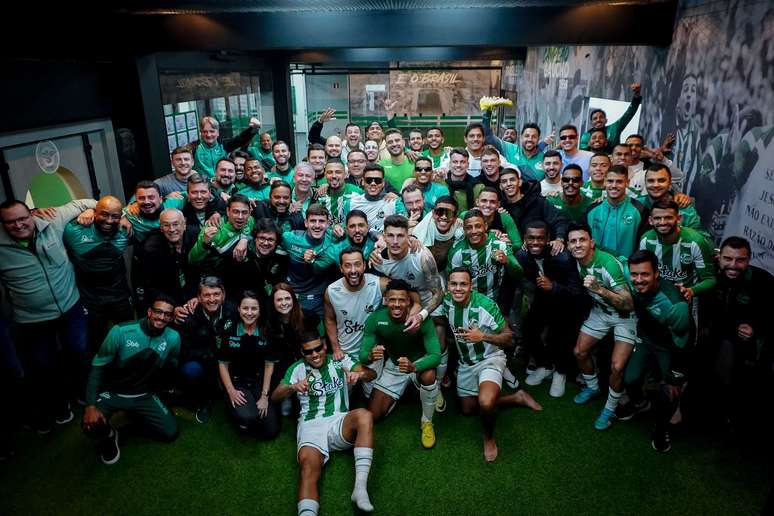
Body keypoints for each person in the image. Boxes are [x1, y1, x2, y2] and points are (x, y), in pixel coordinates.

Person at [0, 198, 96, 432]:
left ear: (31, 214)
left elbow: (90, 201)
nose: (19, 225)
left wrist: (91, 211)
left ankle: (83, 394)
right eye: (10, 222)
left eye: (23, 218)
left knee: (78, 351)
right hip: (31, 319)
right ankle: (60, 404)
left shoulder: (52, 219)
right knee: (45, 364)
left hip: (70, 306)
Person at [272, 330, 377, 515]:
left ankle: (360, 490)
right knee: (308, 470)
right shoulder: (296, 369)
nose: (314, 354)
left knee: (364, 416)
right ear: (302, 353)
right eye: (308, 352)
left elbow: (371, 374)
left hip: (339, 421)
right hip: (311, 427)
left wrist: (358, 375)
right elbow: (275, 397)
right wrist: (292, 387)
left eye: (318, 348)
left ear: (325, 346)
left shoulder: (339, 360)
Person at [444, 267, 542, 462]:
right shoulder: (447, 301)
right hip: (466, 364)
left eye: (463, 284)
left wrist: (483, 336)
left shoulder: (485, 306)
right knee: (468, 409)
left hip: (490, 359)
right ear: (448, 286)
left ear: (471, 286)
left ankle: (488, 438)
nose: (458, 288)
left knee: (486, 402)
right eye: (453, 284)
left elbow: (509, 339)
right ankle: (517, 398)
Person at [81, 294, 181, 464]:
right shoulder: (121, 331)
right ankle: (109, 436)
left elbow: (171, 366)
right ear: (149, 312)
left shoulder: (173, 338)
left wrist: (165, 398)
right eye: (158, 311)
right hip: (114, 392)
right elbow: (97, 367)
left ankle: (126, 428)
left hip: (144, 394)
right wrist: (90, 405)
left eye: (167, 314)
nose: (162, 317)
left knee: (170, 432)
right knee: (90, 425)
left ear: (171, 317)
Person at [619, 250, 692, 453]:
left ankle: (661, 429)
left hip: (669, 347)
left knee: (669, 391)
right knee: (631, 379)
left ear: (656, 273)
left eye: (645, 275)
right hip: (645, 339)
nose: (639, 280)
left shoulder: (675, 304)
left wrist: (675, 375)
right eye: (635, 275)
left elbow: (684, 341)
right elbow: (616, 255)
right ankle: (640, 404)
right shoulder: (628, 272)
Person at [567, 222, 637, 430]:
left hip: (625, 316)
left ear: (592, 243)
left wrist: (600, 290)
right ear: (568, 246)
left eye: (582, 240)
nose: (578, 245)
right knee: (580, 352)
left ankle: (610, 408)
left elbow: (628, 303)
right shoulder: (578, 261)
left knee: (616, 367)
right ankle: (592, 387)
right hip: (601, 312)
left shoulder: (608, 264)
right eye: (573, 241)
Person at [360, 279, 441, 448]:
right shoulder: (376, 319)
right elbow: (362, 356)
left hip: (419, 363)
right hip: (395, 366)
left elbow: (435, 356)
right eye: (392, 300)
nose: (397, 304)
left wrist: (414, 367)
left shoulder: (420, 320)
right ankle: (407, 391)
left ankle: (427, 421)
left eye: (402, 300)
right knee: (374, 415)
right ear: (386, 301)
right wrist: (370, 356)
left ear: (409, 301)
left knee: (429, 376)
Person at [703, 237, 773, 432]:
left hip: (744, 343)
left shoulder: (763, 281)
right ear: (719, 258)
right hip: (712, 335)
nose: (733, 265)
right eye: (728, 259)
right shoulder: (709, 276)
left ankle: (731, 415)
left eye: (740, 260)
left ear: (749, 259)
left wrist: (756, 328)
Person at [516, 221, 589, 397]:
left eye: (540, 238)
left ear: (548, 239)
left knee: (559, 337)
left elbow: (578, 292)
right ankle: (546, 365)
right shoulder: (522, 256)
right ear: (525, 239)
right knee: (528, 329)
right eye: (531, 238)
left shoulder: (562, 257)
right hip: (544, 298)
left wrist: (553, 286)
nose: (535, 242)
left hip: (568, 302)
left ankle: (560, 372)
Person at [63, 195, 133, 354]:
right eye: (104, 214)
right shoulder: (74, 231)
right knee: (97, 342)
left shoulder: (125, 231)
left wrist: (124, 218)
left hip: (119, 296)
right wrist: (86, 210)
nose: (109, 221)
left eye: (115, 216)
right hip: (90, 300)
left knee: (128, 338)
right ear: (95, 213)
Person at [217, 290, 280, 439]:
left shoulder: (267, 331)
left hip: (258, 381)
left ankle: (250, 413)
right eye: (245, 308)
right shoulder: (229, 330)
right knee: (248, 417)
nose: (249, 313)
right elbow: (222, 364)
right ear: (238, 309)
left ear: (260, 310)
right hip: (237, 382)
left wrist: (265, 396)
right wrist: (231, 390)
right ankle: (241, 413)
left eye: (254, 308)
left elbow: (269, 365)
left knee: (271, 431)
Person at [173, 276, 237, 424]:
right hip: (203, 360)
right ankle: (204, 400)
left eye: (216, 294)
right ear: (199, 298)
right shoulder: (188, 316)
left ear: (223, 295)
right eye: (207, 295)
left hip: (229, 358)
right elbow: (183, 351)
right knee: (191, 369)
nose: (212, 299)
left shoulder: (233, 310)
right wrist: (210, 354)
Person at [639, 200, 716, 310]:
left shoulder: (695, 242)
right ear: (650, 220)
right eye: (657, 218)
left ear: (679, 219)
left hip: (687, 302)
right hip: (657, 300)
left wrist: (691, 291)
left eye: (668, 218)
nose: (662, 222)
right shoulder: (646, 240)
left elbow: (710, 279)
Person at [447, 209, 522, 301]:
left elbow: (518, 273)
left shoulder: (499, 244)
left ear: (485, 226)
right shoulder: (457, 252)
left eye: (478, 226)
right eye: (469, 227)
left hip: (496, 296)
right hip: (469, 298)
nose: (474, 231)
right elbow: (452, 283)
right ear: (464, 230)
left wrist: (507, 261)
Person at [279, 203, 335, 317]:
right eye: (313, 221)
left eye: (321, 221)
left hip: (318, 299)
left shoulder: (333, 238)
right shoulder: (290, 238)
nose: (317, 225)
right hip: (292, 295)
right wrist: (245, 239)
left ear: (328, 224)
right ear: (306, 223)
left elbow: (353, 231)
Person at [135, 208, 197, 310]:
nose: (172, 229)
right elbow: (151, 286)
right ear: (161, 228)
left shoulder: (195, 236)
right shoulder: (151, 250)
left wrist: (197, 296)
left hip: (193, 296)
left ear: (184, 224)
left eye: (176, 224)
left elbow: (204, 269)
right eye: (166, 225)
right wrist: (173, 306)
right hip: (167, 299)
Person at [585, 165, 649, 258]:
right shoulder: (592, 210)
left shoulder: (640, 210)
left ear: (627, 183)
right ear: (604, 182)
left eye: (619, 182)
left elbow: (643, 244)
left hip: (628, 268)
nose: (614, 186)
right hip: (598, 267)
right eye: (610, 181)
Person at [499, 167, 567, 253]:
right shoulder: (500, 209)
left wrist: (559, 239)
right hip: (519, 251)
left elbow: (559, 220)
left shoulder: (537, 201)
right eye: (504, 181)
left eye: (512, 180)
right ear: (500, 186)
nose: (508, 184)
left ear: (519, 182)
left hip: (546, 248)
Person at [188, 194, 253, 279]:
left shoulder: (250, 220)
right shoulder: (214, 228)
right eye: (235, 212)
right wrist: (204, 243)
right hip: (213, 276)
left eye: (244, 212)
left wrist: (244, 239)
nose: (240, 217)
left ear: (249, 213)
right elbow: (192, 260)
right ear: (227, 211)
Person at [482, 105, 544, 181]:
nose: (530, 139)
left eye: (534, 136)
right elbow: (488, 137)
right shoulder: (510, 149)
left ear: (538, 139)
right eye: (527, 136)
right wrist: (488, 113)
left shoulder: (544, 159)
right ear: (521, 138)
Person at [190, 115, 260, 179]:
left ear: (217, 133)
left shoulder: (224, 146)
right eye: (205, 132)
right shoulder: (194, 148)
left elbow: (240, 139)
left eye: (212, 131)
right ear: (200, 133)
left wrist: (253, 129)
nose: (208, 135)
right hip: (202, 187)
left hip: (224, 184)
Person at [579, 83, 642, 150]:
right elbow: (581, 150)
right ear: (591, 122)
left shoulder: (614, 128)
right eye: (595, 118)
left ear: (606, 120)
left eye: (601, 117)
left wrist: (636, 95)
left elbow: (629, 114)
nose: (598, 120)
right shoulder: (585, 136)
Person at [313, 210, 375, 276]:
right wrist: (311, 259)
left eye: (361, 225)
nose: (357, 230)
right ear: (346, 229)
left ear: (367, 227)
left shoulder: (376, 242)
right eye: (352, 226)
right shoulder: (336, 249)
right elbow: (316, 268)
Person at [340, 164, 397, 233]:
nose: (373, 183)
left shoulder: (395, 202)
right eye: (369, 180)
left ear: (383, 183)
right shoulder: (349, 204)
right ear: (363, 181)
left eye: (377, 180)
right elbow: (344, 229)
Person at [445, 148, 485, 212]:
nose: (458, 165)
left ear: (468, 165)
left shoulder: (478, 187)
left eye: (462, 162)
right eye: (455, 162)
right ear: (449, 164)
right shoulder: (441, 185)